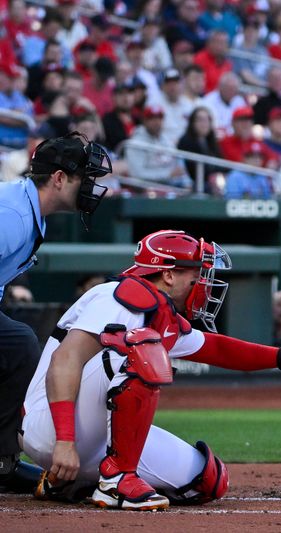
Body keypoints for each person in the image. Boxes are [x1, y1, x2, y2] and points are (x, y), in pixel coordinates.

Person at [22, 229, 281, 510]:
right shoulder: (122, 297)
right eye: (195, 272)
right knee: (140, 351)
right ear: (168, 274)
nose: (202, 282)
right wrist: (64, 440)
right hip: (49, 425)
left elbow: (216, 348)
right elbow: (65, 360)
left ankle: (70, 483)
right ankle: (116, 480)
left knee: (207, 481)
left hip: (87, 434)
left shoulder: (160, 311)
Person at [0, 132, 111, 493]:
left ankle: (3, 461)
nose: (90, 187)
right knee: (18, 344)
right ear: (60, 178)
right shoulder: (13, 214)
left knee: (18, 346)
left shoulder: (28, 211)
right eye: (84, 178)